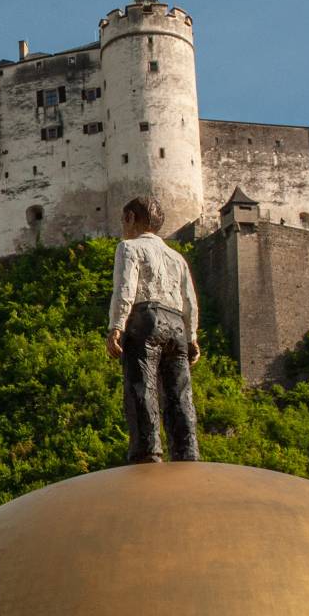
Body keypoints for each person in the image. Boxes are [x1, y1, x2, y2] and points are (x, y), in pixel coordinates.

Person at [106, 196, 200, 463]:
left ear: (132, 218)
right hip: (177, 325)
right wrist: (192, 336)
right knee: (180, 392)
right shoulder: (177, 257)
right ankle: (186, 451)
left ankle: (147, 451)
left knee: (141, 385)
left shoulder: (129, 247)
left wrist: (116, 327)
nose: (123, 226)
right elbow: (189, 300)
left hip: (146, 318)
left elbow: (125, 289)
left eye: (124, 219)